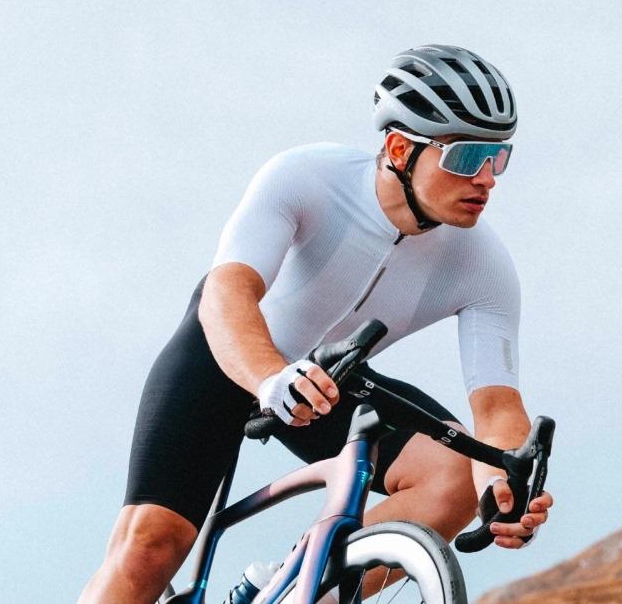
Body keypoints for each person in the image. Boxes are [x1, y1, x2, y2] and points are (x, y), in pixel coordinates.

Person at [78, 44, 554, 604]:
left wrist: (500, 483)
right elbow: (228, 291)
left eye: (498, 157)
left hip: (329, 378)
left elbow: (497, 410)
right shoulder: (309, 176)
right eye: (467, 157)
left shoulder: (483, 265)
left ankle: (294, 593)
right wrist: (268, 378)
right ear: (400, 149)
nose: (487, 178)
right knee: (150, 547)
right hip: (229, 355)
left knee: (455, 476)